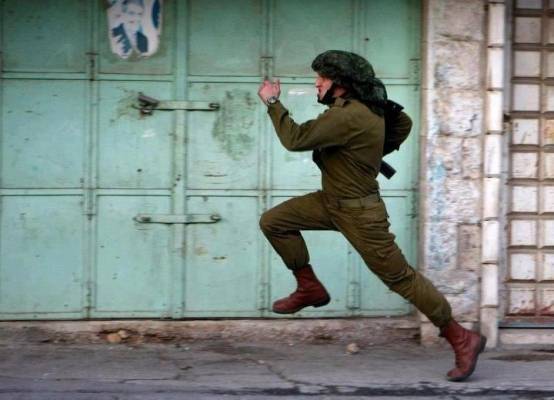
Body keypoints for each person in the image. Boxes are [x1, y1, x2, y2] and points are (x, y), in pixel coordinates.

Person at [257, 50, 487, 382]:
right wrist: (369, 153)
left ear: (341, 83)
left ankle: (460, 337)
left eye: (323, 78)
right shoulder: (363, 110)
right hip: (331, 202)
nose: (317, 83)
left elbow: (295, 139)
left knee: (400, 278)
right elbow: (403, 123)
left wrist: (272, 102)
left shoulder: (348, 115)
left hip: (360, 213)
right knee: (274, 222)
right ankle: (309, 287)